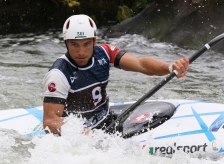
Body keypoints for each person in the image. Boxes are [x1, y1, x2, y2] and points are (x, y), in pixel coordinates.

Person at [42, 14, 189, 135]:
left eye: (86, 44)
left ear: (94, 41)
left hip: (107, 120)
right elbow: (50, 121)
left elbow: (141, 65)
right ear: (66, 43)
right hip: (81, 133)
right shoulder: (58, 74)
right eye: (75, 45)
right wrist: (84, 134)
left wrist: (170, 68)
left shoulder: (104, 53)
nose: (81, 52)